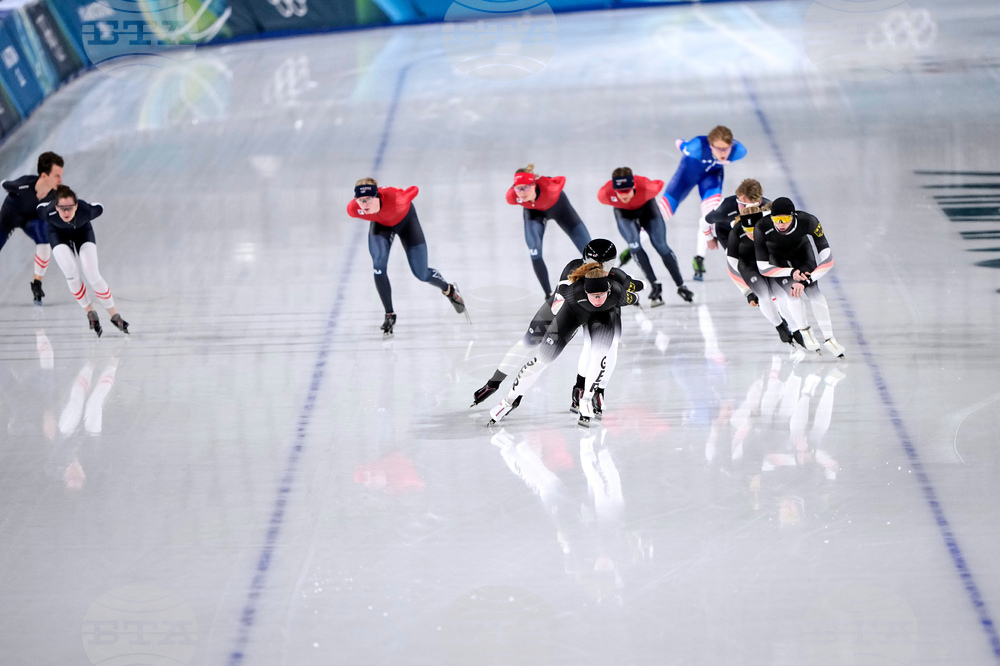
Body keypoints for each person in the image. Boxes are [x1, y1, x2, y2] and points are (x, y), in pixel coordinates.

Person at [471, 239, 624, 411]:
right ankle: (494, 383)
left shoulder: (614, 280)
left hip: (593, 311)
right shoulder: (573, 270)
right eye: (593, 263)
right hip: (569, 310)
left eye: (605, 265)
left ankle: (589, 389)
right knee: (530, 341)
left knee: (604, 347)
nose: (599, 269)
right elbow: (557, 304)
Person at [488, 263, 640, 428]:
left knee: (599, 355)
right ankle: (508, 401)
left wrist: (637, 292)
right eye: (593, 295)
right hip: (573, 314)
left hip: (603, 318)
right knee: (542, 359)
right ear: (585, 291)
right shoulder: (573, 291)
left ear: (608, 291)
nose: (597, 300)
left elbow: (634, 297)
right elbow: (558, 295)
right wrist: (555, 308)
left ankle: (586, 400)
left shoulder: (618, 293)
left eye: (601, 295)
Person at [347, 178, 466, 337]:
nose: (364, 205)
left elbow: (414, 189)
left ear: (377, 196)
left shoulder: (398, 200)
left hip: (406, 221)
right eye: (360, 200)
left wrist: (400, 192)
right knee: (378, 266)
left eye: (368, 199)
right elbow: (360, 205)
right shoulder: (353, 209)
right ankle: (389, 314)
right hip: (381, 225)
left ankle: (449, 290)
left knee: (421, 274)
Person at [639, 126, 747, 281]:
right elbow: (680, 143)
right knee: (664, 213)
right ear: (710, 145)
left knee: (710, 216)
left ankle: (699, 258)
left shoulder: (738, 151)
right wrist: (683, 143)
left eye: (726, 149)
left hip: (711, 177)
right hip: (685, 177)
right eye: (719, 149)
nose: (723, 153)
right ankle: (635, 243)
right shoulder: (696, 147)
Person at [753, 197, 845, 357]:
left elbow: (828, 260)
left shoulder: (809, 221)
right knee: (793, 293)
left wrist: (807, 280)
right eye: (776, 219)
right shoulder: (761, 227)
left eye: (785, 219)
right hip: (777, 257)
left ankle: (829, 338)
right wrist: (790, 272)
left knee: (815, 293)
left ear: (793, 216)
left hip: (802, 253)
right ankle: (805, 331)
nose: (780, 224)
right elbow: (763, 267)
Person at [39, 186, 128, 337]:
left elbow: (99, 207)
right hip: (57, 235)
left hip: (83, 233)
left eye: (70, 208)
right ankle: (89, 311)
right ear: (56, 207)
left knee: (92, 272)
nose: (66, 212)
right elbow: (39, 207)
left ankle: (114, 314)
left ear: (76, 206)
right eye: (62, 208)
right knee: (70, 271)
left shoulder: (86, 210)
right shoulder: (48, 212)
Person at [597, 167, 694, 305]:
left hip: (648, 210)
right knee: (634, 245)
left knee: (661, 246)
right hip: (624, 214)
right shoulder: (606, 193)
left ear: (633, 186)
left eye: (627, 191)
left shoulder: (647, 187)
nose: (623, 196)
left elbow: (659, 183)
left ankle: (681, 286)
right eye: (619, 192)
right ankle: (655, 285)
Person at [506, 164, 592, 299]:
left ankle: (602, 284)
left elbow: (562, 179)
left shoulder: (551, 188)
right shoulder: (512, 196)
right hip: (534, 213)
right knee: (534, 250)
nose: (522, 193)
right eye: (518, 188)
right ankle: (549, 295)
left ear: (534, 185)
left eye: (525, 188)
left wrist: (545, 179)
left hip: (561, 210)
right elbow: (517, 193)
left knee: (590, 251)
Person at [725, 206, 796, 345]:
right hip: (748, 266)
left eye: (754, 230)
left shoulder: (770, 225)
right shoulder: (735, 233)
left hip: (768, 262)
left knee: (781, 294)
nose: (752, 235)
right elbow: (732, 268)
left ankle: (796, 327)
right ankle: (779, 326)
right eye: (747, 231)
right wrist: (746, 291)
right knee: (763, 295)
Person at [0, 152, 64, 304]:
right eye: (56, 176)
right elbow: (4, 183)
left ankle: (37, 283)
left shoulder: (55, 195)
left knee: (45, 240)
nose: (60, 180)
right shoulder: (23, 184)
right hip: (9, 218)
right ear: (44, 176)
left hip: (32, 220)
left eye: (61, 175)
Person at [704, 178, 771, 253]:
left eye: (751, 206)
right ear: (737, 199)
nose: (746, 209)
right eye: (742, 204)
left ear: (759, 203)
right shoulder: (725, 208)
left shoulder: (767, 209)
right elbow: (703, 222)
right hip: (726, 231)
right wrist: (709, 238)